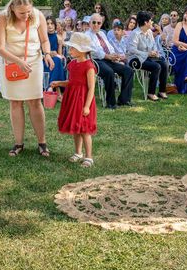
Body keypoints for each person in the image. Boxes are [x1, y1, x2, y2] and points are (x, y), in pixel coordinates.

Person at [0, 0, 55, 157]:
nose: (26, 15)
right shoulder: (2, 18)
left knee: (35, 101)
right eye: (22, 13)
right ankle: (18, 143)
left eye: (28, 11)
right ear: (12, 8)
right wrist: (18, 62)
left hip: (33, 62)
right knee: (15, 103)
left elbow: (44, 40)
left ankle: (42, 142)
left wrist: (47, 53)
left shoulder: (37, 15)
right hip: (10, 63)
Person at [51, 32, 97, 168]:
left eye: (72, 48)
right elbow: (71, 82)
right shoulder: (72, 64)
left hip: (83, 100)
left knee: (84, 129)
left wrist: (87, 106)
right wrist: (59, 83)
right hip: (72, 99)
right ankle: (78, 153)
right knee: (76, 127)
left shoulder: (89, 67)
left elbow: (91, 88)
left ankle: (89, 157)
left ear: (82, 50)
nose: (69, 50)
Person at [86, 13, 133, 109]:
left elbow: (108, 46)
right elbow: (94, 51)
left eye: (98, 23)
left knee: (128, 71)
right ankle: (111, 103)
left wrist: (115, 55)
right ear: (90, 23)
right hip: (96, 61)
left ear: (101, 23)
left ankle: (124, 100)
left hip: (108, 59)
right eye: (94, 22)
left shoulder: (102, 33)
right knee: (109, 72)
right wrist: (108, 56)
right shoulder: (87, 35)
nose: (96, 24)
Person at [126, 11, 169, 101]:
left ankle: (162, 91)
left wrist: (155, 52)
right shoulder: (135, 33)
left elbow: (153, 45)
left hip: (147, 57)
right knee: (156, 67)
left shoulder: (149, 31)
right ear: (146, 22)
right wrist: (147, 54)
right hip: (135, 59)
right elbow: (132, 50)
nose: (152, 22)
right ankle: (151, 93)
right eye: (151, 20)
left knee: (164, 64)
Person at [44, 16, 66, 100]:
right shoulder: (43, 37)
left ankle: (51, 87)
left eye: (52, 24)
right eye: (47, 24)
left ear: (55, 25)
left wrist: (60, 44)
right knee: (57, 62)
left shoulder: (57, 37)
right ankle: (58, 92)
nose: (50, 26)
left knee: (57, 60)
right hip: (44, 60)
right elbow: (39, 52)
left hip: (55, 60)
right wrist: (48, 53)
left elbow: (59, 54)